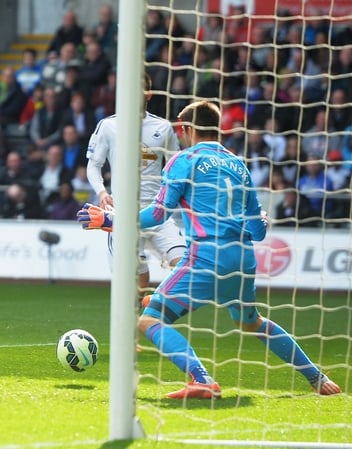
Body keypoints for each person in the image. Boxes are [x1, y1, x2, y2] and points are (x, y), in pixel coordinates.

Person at [78, 100, 342, 398]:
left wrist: (112, 220)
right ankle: (317, 378)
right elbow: (258, 231)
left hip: (205, 257)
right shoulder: (238, 164)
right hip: (242, 259)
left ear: (187, 128)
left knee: (149, 319)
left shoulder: (183, 160)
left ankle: (202, 379)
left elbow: (157, 215)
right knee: (251, 321)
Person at [86, 75, 184, 304]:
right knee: (134, 288)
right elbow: (94, 165)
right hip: (124, 214)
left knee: (182, 266)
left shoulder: (163, 127)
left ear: (148, 95)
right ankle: (140, 319)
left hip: (158, 211)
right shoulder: (109, 125)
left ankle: (156, 306)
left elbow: (176, 166)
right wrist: (101, 191)